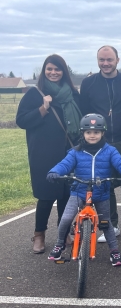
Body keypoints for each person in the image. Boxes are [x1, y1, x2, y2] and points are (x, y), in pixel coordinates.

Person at [46, 114, 121, 266]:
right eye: (88, 132)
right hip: (79, 191)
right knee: (66, 218)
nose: (92, 135)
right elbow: (64, 164)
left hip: (101, 192)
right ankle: (60, 244)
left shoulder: (110, 151)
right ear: (83, 134)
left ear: (102, 133)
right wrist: (55, 172)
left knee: (106, 223)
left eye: (96, 132)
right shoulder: (76, 152)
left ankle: (114, 251)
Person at [16, 54, 82, 254]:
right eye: (50, 69)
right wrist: (43, 108)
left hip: (69, 152)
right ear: (44, 71)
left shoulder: (72, 94)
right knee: (46, 196)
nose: (53, 73)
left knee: (65, 195)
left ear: (64, 72)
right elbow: (22, 121)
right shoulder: (35, 94)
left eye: (58, 69)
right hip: (43, 154)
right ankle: (39, 235)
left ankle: (64, 233)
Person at [79, 46, 121, 241]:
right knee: (106, 184)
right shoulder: (88, 83)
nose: (105, 63)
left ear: (117, 60)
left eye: (109, 60)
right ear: (97, 61)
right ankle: (111, 224)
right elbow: (84, 113)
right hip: (101, 141)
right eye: (102, 60)